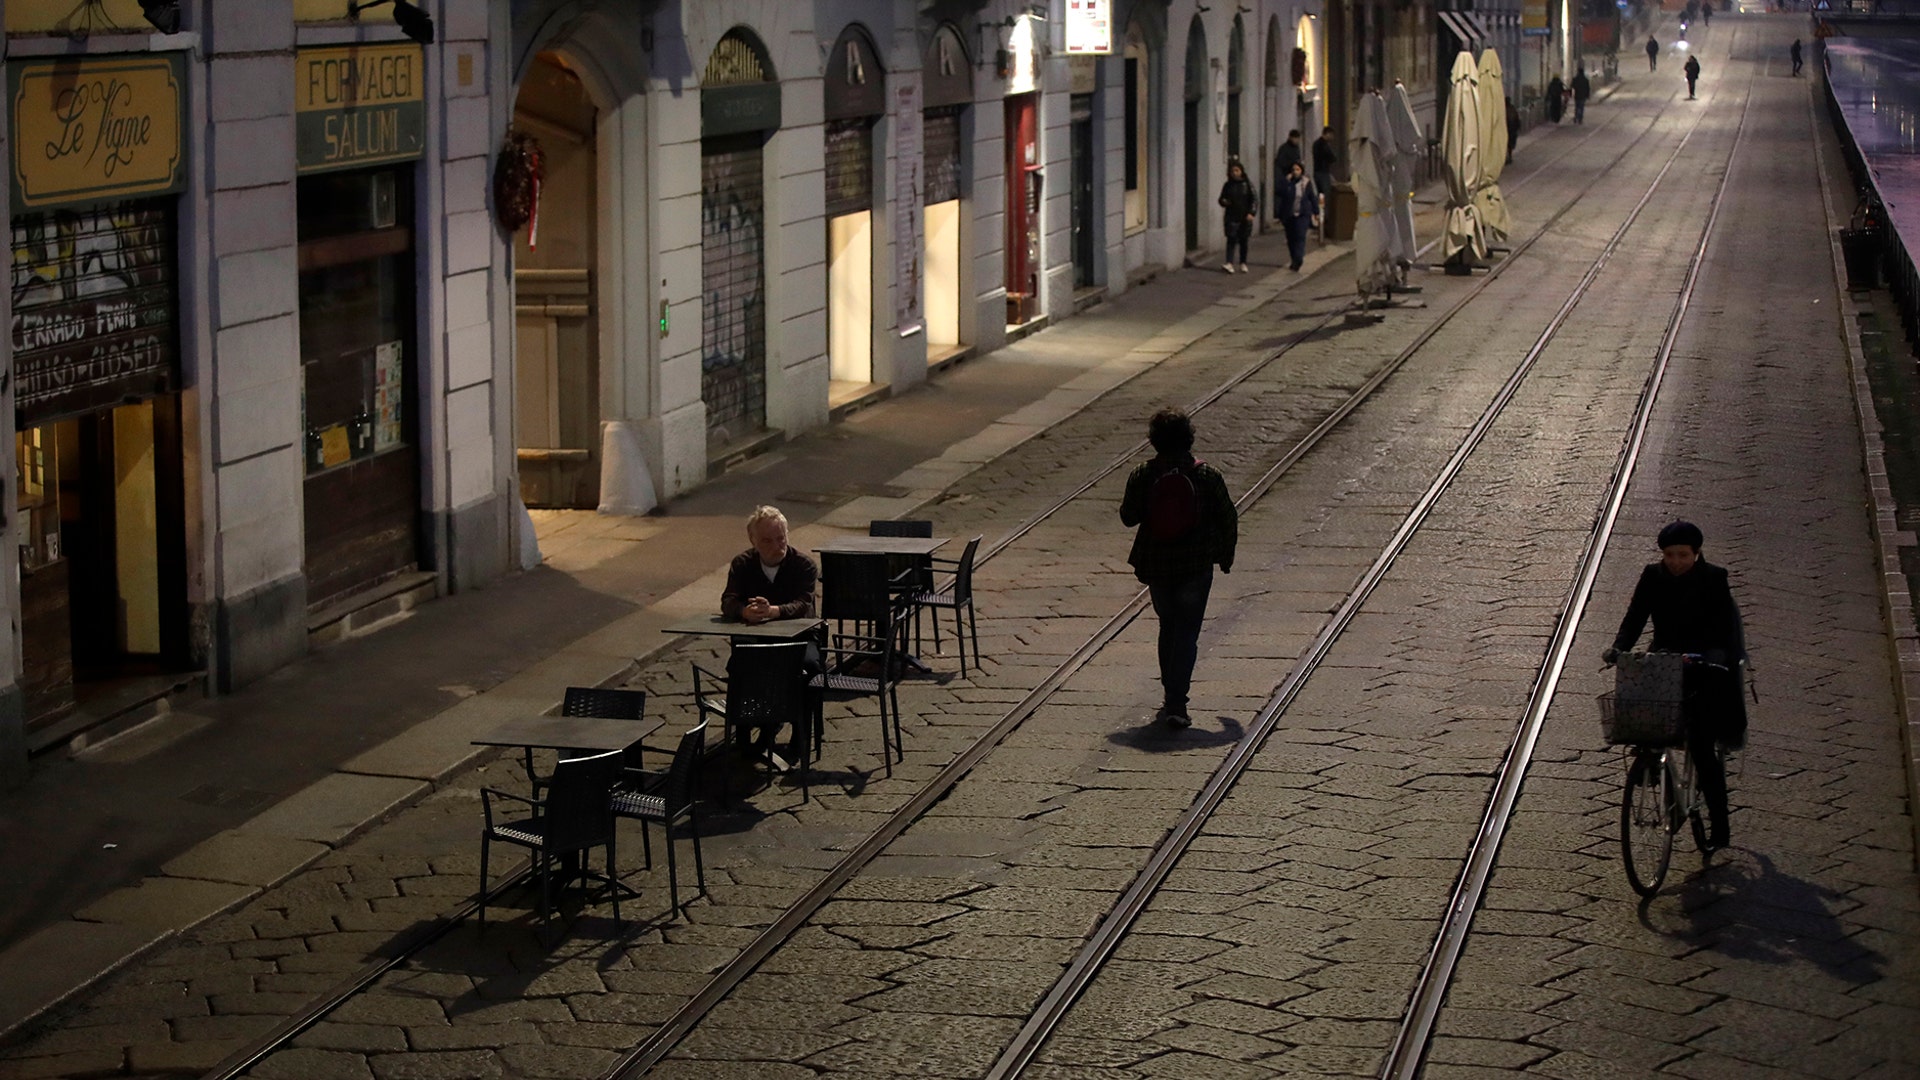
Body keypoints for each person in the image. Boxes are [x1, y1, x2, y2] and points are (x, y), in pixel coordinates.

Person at [1602, 521, 1748, 851]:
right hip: (1665, 659)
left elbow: (1725, 627)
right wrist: (1619, 648)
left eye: (1683, 555)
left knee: (1700, 745)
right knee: (1643, 720)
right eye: (1670, 555)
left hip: (1704, 665)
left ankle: (1720, 827)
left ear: (1696, 553)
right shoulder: (1652, 576)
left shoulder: (1714, 578)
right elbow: (1635, 616)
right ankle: (1650, 766)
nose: (1676, 561)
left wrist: (1713, 655)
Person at [1120, 408, 1238, 729]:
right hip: (1196, 567)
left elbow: (1128, 516)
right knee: (1187, 631)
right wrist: (1225, 556)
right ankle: (1177, 702)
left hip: (1158, 566)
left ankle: (1169, 696)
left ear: (1154, 441)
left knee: (1168, 626)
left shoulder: (1143, 474)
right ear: (1189, 438)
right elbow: (1228, 517)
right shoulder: (1207, 475)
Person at [1276, 161, 1320, 271]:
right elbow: (1279, 192)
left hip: (1302, 214)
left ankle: (1299, 258)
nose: (1295, 172)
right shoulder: (1287, 182)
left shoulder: (1306, 183)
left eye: (1297, 169)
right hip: (1289, 215)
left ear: (1301, 171)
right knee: (1291, 238)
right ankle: (1294, 260)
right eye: (1293, 170)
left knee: (1300, 236)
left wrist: (1316, 212)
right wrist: (1286, 181)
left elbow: (1312, 197)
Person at [1217, 160, 1257, 274]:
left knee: (1244, 240)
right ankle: (1229, 263)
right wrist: (1224, 202)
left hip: (1245, 216)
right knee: (1231, 239)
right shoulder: (1228, 185)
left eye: (1237, 170)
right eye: (1233, 171)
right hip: (1231, 216)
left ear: (1241, 171)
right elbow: (1221, 199)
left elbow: (1254, 199)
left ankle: (1243, 263)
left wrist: (1251, 212)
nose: (1235, 173)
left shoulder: (1247, 184)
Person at [1274, 129, 1305, 218]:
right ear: (1290, 138)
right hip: (1285, 175)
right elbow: (1281, 163)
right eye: (1295, 138)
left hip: (1294, 175)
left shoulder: (1297, 149)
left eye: (1298, 139)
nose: (1297, 141)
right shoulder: (1284, 148)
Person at [1311, 125, 1338, 223]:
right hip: (1323, 173)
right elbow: (1332, 157)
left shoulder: (1315, 144)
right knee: (1325, 196)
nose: (1332, 138)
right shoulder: (1324, 145)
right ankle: (1324, 219)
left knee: (1320, 195)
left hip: (1317, 172)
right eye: (1331, 135)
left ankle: (1320, 218)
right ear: (1327, 134)